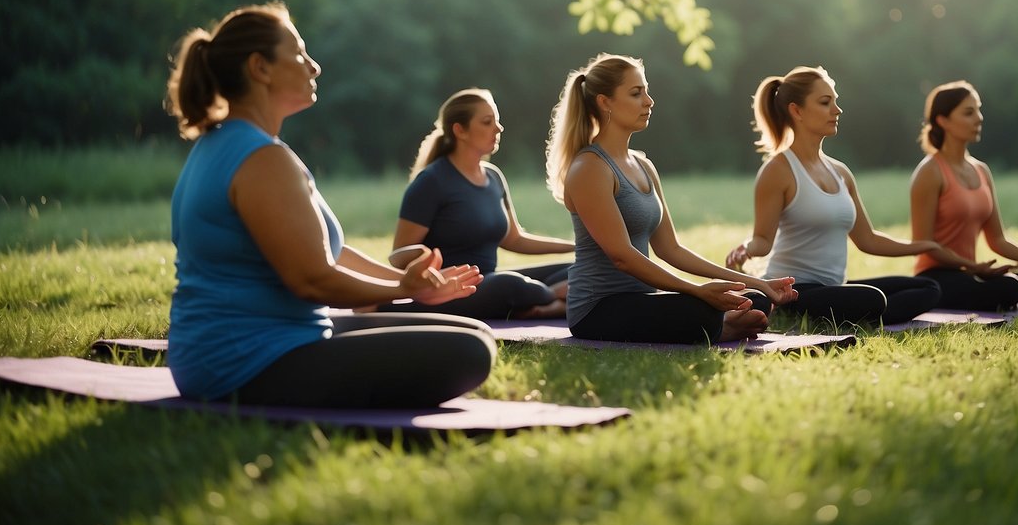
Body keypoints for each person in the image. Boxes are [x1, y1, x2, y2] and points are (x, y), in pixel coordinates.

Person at [165, 1, 495, 407]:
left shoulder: (230, 146)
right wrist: (400, 286)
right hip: (246, 362)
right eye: (300, 54)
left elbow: (328, 252)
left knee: (474, 332)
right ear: (260, 68)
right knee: (468, 352)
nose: (313, 66)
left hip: (243, 349)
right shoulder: (261, 160)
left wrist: (415, 287)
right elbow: (312, 280)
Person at [545, 53, 797, 343]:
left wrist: (758, 283)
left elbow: (671, 249)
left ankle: (720, 324)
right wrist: (697, 290)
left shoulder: (643, 165)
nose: (649, 101)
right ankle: (720, 326)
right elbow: (623, 257)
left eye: (646, 91)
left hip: (642, 300)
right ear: (605, 102)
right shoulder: (590, 168)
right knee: (701, 309)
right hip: (597, 310)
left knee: (753, 299)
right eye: (636, 93)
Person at [725, 67, 943, 326]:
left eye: (835, 102)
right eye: (825, 102)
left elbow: (868, 240)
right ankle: (823, 312)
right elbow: (763, 239)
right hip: (795, 290)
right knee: (872, 299)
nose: (837, 110)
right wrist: (746, 249)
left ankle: (862, 313)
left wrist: (925, 246)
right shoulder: (778, 171)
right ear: (797, 111)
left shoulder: (840, 172)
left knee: (929, 287)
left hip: (835, 287)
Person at [382, 88, 573, 320]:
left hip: (487, 282)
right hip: (452, 288)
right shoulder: (432, 182)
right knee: (509, 285)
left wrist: (575, 247)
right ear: (460, 130)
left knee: (575, 270)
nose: (498, 128)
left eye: (497, 121)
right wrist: (426, 261)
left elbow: (515, 239)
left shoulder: (494, 177)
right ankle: (554, 298)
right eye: (487, 122)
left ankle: (541, 304)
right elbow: (398, 257)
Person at [909, 80, 1018, 310]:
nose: (979, 118)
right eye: (969, 113)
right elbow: (924, 244)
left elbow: (997, 240)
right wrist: (972, 267)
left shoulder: (981, 171)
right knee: (1007, 287)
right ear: (943, 121)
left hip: (975, 271)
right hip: (937, 276)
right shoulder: (930, 172)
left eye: (979, 110)